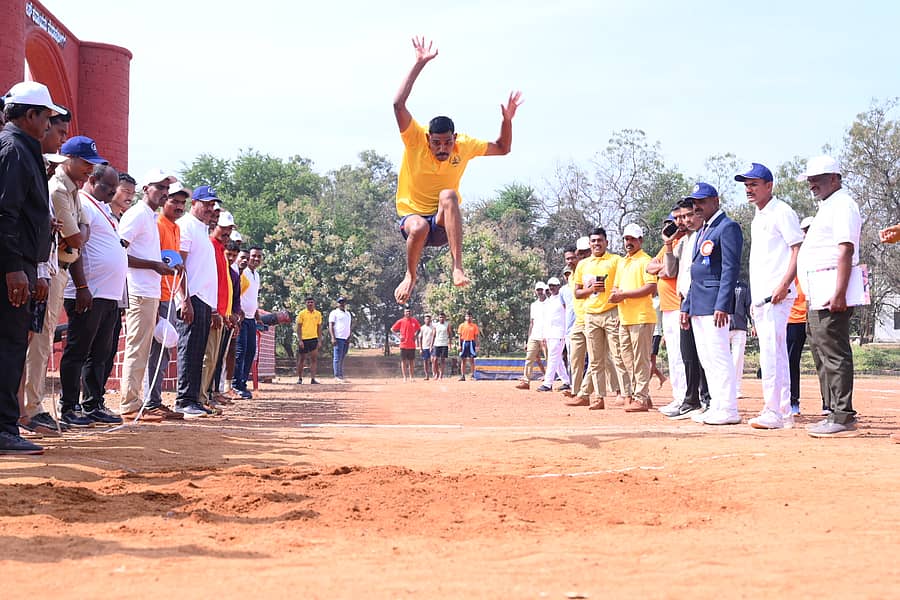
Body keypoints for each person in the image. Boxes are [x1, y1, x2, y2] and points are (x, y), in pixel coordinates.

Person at [392, 36, 523, 304]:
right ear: (428, 139)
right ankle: (410, 275)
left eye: (448, 142)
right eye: (437, 143)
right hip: (414, 220)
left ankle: (457, 266)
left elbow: (502, 147)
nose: (443, 148)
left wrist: (506, 121)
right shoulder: (415, 139)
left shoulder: (464, 145)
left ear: (455, 138)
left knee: (449, 194)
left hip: (442, 225)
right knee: (417, 226)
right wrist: (419, 64)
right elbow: (398, 105)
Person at [0, 81, 66, 454]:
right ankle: (4, 427)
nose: (48, 125)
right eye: (47, 117)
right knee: (7, 347)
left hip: (24, 263)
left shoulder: (25, 151)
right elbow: (4, 213)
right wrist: (14, 267)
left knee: (11, 347)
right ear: (30, 116)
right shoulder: (14, 150)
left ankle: (6, 425)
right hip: (12, 265)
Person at [20, 135, 93, 434]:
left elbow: (79, 234)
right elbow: (77, 238)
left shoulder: (73, 190)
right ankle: (30, 408)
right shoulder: (58, 188)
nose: (90, 169)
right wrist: (76, 235)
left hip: (58, 268)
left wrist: (76, 235)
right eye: (86, 162)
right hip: (45, 270)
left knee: (43, 338)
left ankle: (31, 406)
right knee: (36, 340)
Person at [734, 163, 805, 431]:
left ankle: (774, 410)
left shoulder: (782, 211)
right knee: (773, 354)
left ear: (769, 186)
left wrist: (784, 285)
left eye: (754, 184)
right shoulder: (758, 215)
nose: (749, 189)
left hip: (777, 295)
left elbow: (797, 249)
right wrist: (754, 298)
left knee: (772, 354)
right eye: (746, 185)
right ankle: (782, 410)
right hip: (762, 297)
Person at [796, 156, 862, 438]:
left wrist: (838, 293)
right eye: (810, 180)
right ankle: (834, 410)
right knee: (824, 352)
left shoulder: (843, 205)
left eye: (818, 178)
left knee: (834, 352)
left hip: (830, 290)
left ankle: (842, 414)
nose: (812, 184)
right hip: (818, 289)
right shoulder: (828, 206)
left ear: (835, 178)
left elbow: (845, 249)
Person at [59, 163, 127, 427]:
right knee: (79, 350)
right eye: (106, 186)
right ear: (92, 180)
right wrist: (82, 287)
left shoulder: (106, 211)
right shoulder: (84, 205)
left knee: (101, 352)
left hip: (108, 295)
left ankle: (93, 403)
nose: (111, 192)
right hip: (88, 292)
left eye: (114, 188)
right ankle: (69, 407)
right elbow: (75, 249)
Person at [681, 183, 744, 426]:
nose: (697, 206)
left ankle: (728, 407)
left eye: (702, 201)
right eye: (694, 202)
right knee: (706, 358)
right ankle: (716, 404)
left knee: (719, 356)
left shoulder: (726, 227)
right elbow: (696, 272)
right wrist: (687, 306)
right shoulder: (704, 230)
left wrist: (723, 303)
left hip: (714, 303)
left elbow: (730, 268)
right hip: (698, 302)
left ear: (715, 201)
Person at [117, 169, 177, 422]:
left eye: (166, 188)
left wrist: (159, 263)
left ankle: (134, 402)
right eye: (159, 187)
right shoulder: (138, 215)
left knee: (142, 349)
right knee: (137, 348)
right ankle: (130, 404)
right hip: (139, 291)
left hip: (150, 291)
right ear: (146, 189)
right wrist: (154, 266)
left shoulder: (149, 217)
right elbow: (119, 251)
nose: (164, 192)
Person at [144, 181, 188, 418]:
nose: (179, 206)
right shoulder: (158, 225)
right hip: (157, 295)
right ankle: (150, 402)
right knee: (155, 350)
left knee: (164, 350)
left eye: (183, 202)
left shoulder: (176, 228)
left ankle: (155, 399)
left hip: (170, 295)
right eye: (174, 201)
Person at [174, 185, 219, 418]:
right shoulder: (186, 226)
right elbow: (179, 265)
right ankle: (183, 399)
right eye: (207, 204)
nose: (210, 209)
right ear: (195, 203)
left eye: (213, 205)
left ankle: (192, 399)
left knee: (197, 350)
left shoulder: (203, 230)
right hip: (191, 297)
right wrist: (184, 299)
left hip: (203, 299)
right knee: (188, 348)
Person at [570, 227, 625, 410]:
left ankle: (628, 394)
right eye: (593, 241)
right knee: (595, 360)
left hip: (611, 313)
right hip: (591, 315)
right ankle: (598, 397)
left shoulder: (615, 261)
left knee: (619, 356)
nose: (596, 244)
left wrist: (619, 309)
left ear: (606, 242)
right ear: (589, 243)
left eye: (599, 240)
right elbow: (577, 293)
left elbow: (625, 283)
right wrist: (592, 289)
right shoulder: (583, 265)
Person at [608, 224, 658, 412]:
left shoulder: (647, 261)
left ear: (640, 240)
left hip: (642, 317)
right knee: (626, 360)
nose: (628, 243)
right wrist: (616, 297)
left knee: (641, 360)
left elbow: (651, 288)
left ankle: (640, 397)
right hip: (625, 317)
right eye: (626, 239)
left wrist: (624, 295)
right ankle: (642, 394)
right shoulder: (622, 262)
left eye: (632, 239)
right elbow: (616, 288)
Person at [787, 216, 814, 415]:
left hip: (815, 313)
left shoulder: (822, 253)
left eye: (811, 229)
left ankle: (828, 404)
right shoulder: (792, 255)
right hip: (793, 317)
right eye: (805, 230)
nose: (807, 233)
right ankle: (792, 401)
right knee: (790, 361)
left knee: (823, 360)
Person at [233, 245, 264, 395]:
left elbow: (253, 297)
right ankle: (236, 384)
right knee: (240, 352)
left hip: (252, 319)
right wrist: (239, 312)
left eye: (259, 256)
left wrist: (257, 315)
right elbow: (236, 294)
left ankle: (243, 383)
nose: (256, 259)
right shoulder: (242, 273)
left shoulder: (256, 275)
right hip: (241, 318)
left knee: (250, 352)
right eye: (253, 256)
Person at [537, 277, 571, 392]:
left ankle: (548, 383)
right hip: (550, 334)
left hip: (559, 333)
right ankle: (566, 381)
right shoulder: (549, 300)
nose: (552, 287)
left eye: (554, 285)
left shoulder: (562, 299)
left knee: (552, 358)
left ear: (558, 286)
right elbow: (547, 319)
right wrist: (544, 335)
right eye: (550, 285)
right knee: (557, 359)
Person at [515, 281, 547, 390]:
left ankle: (549, 382)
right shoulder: (534, 305)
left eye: (541, 290)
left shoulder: (550, 303)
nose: (539, 292)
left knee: (550, 359)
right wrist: (528, 339)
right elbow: (532, 323)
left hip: (546, 336)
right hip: (534, 335)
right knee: (529, 358)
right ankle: (526, 381)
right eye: (538, 290)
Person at [730, 279, 752, 399]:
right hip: (721, 326)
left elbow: (748, 306)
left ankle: (736, 388)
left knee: (738, 358)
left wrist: (753, 323)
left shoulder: (743, 287)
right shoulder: (720, 283)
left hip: (740, 326)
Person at [295, 297, 323, 384]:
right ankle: (300, 378)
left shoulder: (318, 314)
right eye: (308, 302)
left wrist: (319, 340)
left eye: (311, 302)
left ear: (314, 304)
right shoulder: (302, 313)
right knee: (302, 359)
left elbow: (319, 328)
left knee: (314, 359)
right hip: (304, 339)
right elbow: (299, 328)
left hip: (314, 339)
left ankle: (313, 379)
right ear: (306, 303)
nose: (310, 304)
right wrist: (300, 340)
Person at [391, 307, 420, 381]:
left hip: (412, 345)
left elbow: (419, 329)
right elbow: (392, 329)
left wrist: (415, 336)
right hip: (403, 345)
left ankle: (411, 377)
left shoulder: (414, 321)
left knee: (411, 362)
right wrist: (399, 336)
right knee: (403, 361)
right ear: (404, 313)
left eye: (409, 311)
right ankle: (404, 377)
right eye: (407, 312)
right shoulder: (401, 321)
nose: (408, 313)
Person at [328, 297, 351, 383]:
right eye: (340, 302)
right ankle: (337, 376)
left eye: (343, 302)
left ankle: (341, 375)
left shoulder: (348, 314)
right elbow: (331, 325)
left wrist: (349, 336)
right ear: (337, 303)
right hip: (338, 337)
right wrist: (333, 337)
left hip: (346, 338)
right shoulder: (334, 313)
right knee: (337, 357)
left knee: (342, 357)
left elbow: (348, 325)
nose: (342, 304)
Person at [457, 312, 480, 381]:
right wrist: (459, 345)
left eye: (470, 316)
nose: (469, 318)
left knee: (472, 360)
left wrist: (476, 346)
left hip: (471, 343)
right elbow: (459, 336)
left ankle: (473, 375)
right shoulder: (462, 325)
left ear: (472, 317)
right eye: (467, 316)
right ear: (465, 317)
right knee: (463, 360)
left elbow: (476, 337)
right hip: (464, 343)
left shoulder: (474, 326)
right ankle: (462, 376)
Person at [432, 312, 451, 379]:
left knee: (442, 360)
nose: (441, 318)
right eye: (440, 317)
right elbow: (433, 335)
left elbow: (450, 335)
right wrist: (431, 345)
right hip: (437, 344)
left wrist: (450, 344)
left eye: (443, 317)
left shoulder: (447, 324)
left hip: (444, 344)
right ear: (438, 318)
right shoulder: (436, 325)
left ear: (445, 318)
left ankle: (441, 375)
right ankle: (437, 373)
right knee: (435, 360)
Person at [418, 314, 436, 380]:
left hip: (432, 346)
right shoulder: (422, 328)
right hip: (424, 346)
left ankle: (434, 374)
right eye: (426, 319)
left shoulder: (433, 327)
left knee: (433, 360)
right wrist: (420, 348)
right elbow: (420, 338)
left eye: (429, 319)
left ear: (431, 320)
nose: (428, 320)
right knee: (425, 361)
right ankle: (427, 375)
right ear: (424, 320)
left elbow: (434, 336)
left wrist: (432, 345)